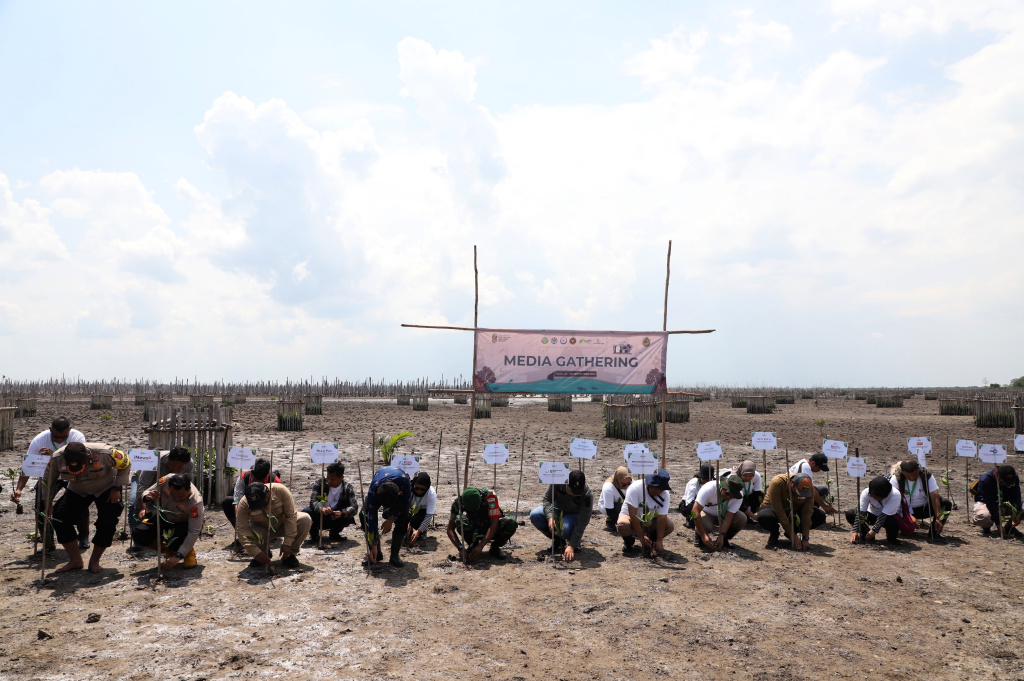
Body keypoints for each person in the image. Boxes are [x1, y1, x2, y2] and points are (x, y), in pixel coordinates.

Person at [43, 442, 132, 574]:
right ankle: (75, 560)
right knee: (59, 518)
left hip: (106, 487)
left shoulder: (105, 453)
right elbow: (48, 480)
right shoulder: (56, 458)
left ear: (87, 456)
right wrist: (48, 502)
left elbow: (126, 463)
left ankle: (95, 561)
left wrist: (117, 487)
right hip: (77, 489)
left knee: (108, 520)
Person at [9, 418, 90, 550]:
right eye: (55, 437)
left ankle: (83, 537)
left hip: (72, 475)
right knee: (40, 506)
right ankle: (48, 542)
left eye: (63, 437)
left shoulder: (77, 437)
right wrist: (19, 489)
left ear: (69, 430)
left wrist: (53, 456)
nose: (58, 440)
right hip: (50, 476)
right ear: (50, 430)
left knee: (80, 503)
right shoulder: (39, 440)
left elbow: (78, 461)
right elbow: (29, 466)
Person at [131, 473, 203, 570]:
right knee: (139, 534)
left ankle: (185, 551)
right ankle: (170, 549)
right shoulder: (166, 480)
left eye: (181, 497)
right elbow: (146, 492)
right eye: (173, 495)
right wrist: (148, 496)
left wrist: (178, 556)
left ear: (188, 490)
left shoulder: (196, 502)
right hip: (164, 517)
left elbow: (193, 531)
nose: (177, 499)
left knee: (179, 534)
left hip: (182, 525)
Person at [235, 481, 312, 571]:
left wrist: (287, 543)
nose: (260, 507)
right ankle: (263, 552)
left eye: (261, 502)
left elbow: (291, 516)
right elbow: (241, 529)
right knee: (249, 529)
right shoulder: (244, 503)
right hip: (262, 529)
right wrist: (256, 552)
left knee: (305, 519)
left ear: (268, 493)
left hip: (283, 525)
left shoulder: (280, 491)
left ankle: (290, 555)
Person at [130, 446, 193, 544]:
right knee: (135, 503)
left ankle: (163, 537)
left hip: (168, 483)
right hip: (143, 480)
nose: (175, 469)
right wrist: (143, 507)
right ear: (168, 458)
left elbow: (185, 483)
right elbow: (143, 485)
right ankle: (137, 540)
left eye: (179, 467)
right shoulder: (155, 460)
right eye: (172, 466)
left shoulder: (189, 463)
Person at [530, 470, 593, 561]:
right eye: (572, 491)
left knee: (564, 529)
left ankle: (573, 541)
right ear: (566, 483)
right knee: (535, 515)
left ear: (583, 486)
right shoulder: (557, 481)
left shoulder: (587, 494)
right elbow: (547, 500)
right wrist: (550, 517)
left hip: (573, 516)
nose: (574, 494)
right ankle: (558, 540)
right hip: (556, 511)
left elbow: (583, 521)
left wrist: (572, 545)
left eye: (577, 492)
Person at [446, 486, 518, 564]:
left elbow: (494, 522)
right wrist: (460, 548)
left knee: (511, 523)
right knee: (460, 521)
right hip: (473, 526)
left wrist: (481, 545)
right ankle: (472, 545)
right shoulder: (458, 503)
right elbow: (450, 529)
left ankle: (495, 547)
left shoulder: (490, 497)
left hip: (490, 527)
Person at [757, 473, 826, 549]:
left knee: (819, 516)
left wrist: (805, 537)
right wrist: (792, 533)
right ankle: (774, 532)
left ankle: (792, 532)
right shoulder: (777, 482)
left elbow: (807, 512)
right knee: (764, 517)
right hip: (774, 509)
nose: (800, 495)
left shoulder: (810, 488)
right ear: (792, 483)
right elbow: (778, 509)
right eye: (799, 491)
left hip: (793, 510)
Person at [360, 466, 412, 567]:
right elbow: (372, 518)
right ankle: (376, 553)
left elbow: (405, 502)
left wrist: (390, 520)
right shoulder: (373, 492)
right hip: (379, 484)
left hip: (400, 490)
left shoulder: (405, 483)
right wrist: (373, 544)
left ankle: (394, 556)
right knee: (363, 515)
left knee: (403, 518)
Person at [617, 468, 674, 557]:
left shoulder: (665, 494)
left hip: (651, 520)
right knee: (622, 524)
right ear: (647, 484)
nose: (658, 492)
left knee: (670, 525)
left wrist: (660, 540)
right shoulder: (635, 488)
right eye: (655, 489)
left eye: (661, 489)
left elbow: (662, 517)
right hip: (632, 518)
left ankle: (651, 542)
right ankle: (629, 541)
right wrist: (640, 535)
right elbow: (633, 514)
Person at [889, 460, 952, 540]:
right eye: (908, 476)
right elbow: (894, 501)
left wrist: (938, 518)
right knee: (907, 530)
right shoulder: (896, 478)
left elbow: (934, 496)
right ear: (902, 472)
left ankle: (935, 532)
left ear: (918, 469)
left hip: (922, 508)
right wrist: (909, 516)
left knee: (946, 503)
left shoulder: (926, 476)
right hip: (903, 510)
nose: (912, 478)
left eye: (914, 475)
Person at [302, 462, 358, 543]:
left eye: (332, 479)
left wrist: (342, 513)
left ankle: (334, 533)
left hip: (336, 516)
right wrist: (321, 509)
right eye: (327, 478)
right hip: (320, 515)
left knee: (348, 514)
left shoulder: (347, 487)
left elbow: (354, 507)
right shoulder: (320, 483)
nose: (329, 481)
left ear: (341, 477)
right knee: (305, 513)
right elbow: (313, 501)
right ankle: (314, 535)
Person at [693, 473, 746, 551]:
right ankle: (699, 535)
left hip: (723, 515)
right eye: (727, 493)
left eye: (733, 495)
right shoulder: (709, 488)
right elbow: (695, 511)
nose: (729, 497)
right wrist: (704, 535)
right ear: (723, 487)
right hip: (707, 513)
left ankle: (724, 539)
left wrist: (722, 535)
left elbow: (729, 515)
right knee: (706, 526)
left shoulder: (739, 496)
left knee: (741, 518)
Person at [222, 458, 280, 529]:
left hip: (267, 510)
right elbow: (237, 501)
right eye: (255, 479)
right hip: (249, 507)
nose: (257, 483)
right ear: (251, 473)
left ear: (267, 475)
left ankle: (271, 530)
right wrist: (241, 523)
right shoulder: (244, 478)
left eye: (261, 481)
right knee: (227, 501)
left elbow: (278, 504)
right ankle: (241, 531)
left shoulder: (275, 481)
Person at [847, 476, 902, 546]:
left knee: (891, 521)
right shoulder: (866, 492)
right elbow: (861, 513)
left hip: (887, 517)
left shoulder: (895, 495)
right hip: (872, 514)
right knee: (851, 514)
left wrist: (874, 531)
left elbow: (884, 515)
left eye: (877, 497)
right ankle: (865, 533)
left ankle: (891, 539)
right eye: (872, 496)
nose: (874, 499)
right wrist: (855, 530)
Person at [972, 464, 1023, 539]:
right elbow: (991, 504)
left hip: (1005, 502)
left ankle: (1009, 527)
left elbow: (1016, 497)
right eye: (1004, 482)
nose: (1007, 485)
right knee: (984, 517)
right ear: (997, 476)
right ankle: (986, 527)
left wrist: (1017, 515)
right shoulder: (985, 480)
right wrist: (998, 524)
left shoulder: (1014, 478)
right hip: (986, 503)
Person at [721, 460, 764, 525]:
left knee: (760, 497)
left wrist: (759, 509)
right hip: (735, 497)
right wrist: (753, 516)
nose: (748, 478)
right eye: (745, 475)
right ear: (741, 472)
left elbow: (757, 493)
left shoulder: (757, 476)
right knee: (741, 505)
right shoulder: (734, 477)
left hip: (748, 496)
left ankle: (747, 516)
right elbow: (739, 501)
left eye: (750, 476)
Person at [405, 472, 437, 547]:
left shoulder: (431, 494)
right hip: (410, 510)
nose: (419, 491)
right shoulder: (409, 490)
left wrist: (418, 531)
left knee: (418, 519)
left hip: (422, 512)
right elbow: (404, 507)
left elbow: (429, 516)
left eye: (423, 489)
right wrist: (407, 524)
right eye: (417, 488)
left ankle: (422, 531)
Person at [678, 464, 714, 528]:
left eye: (708, 480)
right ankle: (690, 519)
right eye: (704, 480)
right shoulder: (694, 483)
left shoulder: (713, 483)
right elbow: (689, 500)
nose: (706, 482)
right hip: (689, 505)